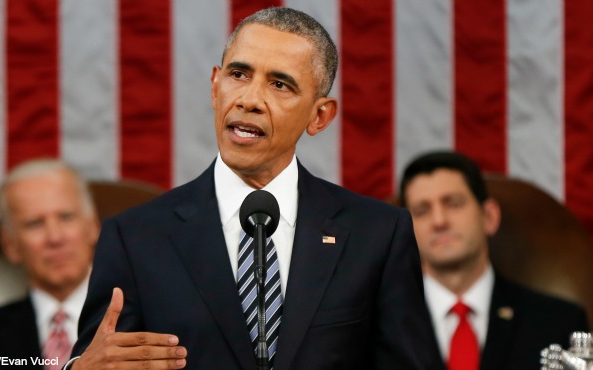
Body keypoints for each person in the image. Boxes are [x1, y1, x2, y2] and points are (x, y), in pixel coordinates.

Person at [68, 7, 443, 370]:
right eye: (239, 74)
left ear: (319, 115)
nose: (248, 100)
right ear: (215, 86)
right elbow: (101, 359)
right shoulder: (135, 238)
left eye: (279, 84)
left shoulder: (377, 235)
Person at [399, 150, 589, 370]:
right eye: (422, 211)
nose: (439, 221)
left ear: (488, 216)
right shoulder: (376, 327)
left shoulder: (560, 323)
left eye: (454, 204)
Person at [0, 159, 100, 370]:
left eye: (66, 217)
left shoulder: (145, 322)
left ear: (92, 227)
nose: (55, 238)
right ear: (10, 245)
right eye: (35, 224)